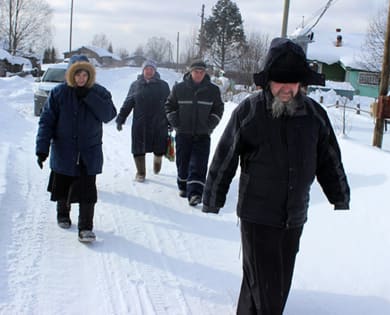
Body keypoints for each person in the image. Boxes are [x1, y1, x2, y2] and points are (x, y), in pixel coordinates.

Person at [202, 38, 350, 314]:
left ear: (301, 83)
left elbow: (329, 158)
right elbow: (225, 155)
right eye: (280, 81)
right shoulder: (250, 111)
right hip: (257, 216)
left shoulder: (314, 115)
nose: (286, 88)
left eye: (292, 81)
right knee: (268, 291)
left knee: (273, 283)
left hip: (294, 217)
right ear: (268, 81)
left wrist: (339, 195)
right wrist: (213, 197)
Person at [35, 55, 117, 243]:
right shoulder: (58, 93)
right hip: (64, 150)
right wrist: (42, 149)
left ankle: (86, 228)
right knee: (63, 185)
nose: (81, 78)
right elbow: (46, 122)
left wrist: (89, 96)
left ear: (90, 75)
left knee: (88, 191)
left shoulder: (99, 92)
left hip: (89, 151)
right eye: (77, 74)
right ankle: (63, 213)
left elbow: (109, 114)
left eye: (85, 75)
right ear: (70, 75)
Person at [165, 59, 224, 206]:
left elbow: (218, 109)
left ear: (205, 73)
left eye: (202, 72)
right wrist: (176, 123)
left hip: (203, 134)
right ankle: (184, 186)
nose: (199, 74)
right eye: (196, 71)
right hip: (183, 133)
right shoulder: (179, 89)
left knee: (199, 163)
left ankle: (195, 193)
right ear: (190, 72)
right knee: (183, 162)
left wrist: (210, 125)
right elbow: (169, 106)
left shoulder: (213, 90)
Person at [115, 60, 170, 182]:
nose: (149, 71)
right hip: (141, 123)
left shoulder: (163, 85)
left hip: (159, 123)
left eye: (151, 69)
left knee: (159, 147)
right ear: (143, 70)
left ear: (155, 71)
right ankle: (141, 173)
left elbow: (170, 105)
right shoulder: (135, 85)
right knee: (138, 148)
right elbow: (128, 103)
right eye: (147, 69)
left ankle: (158, 159)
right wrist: (121, 118)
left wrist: (171, 122)